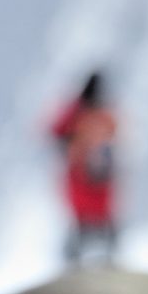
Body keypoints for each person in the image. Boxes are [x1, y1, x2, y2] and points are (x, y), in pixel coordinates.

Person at [50, 71, 119, 264]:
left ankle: (107, 260)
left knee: (103, 224)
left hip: (99, 178)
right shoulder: (76, 114)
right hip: (81, 177)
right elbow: (56, 133)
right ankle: (76, 262)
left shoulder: (102, 115)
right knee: (84, 224)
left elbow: (113, 137)